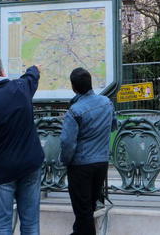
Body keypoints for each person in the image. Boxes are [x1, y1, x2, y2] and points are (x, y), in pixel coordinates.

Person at [0, 56, 44, 235]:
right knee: (31, 222)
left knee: (2, 225)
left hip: (1, 172)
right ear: (2, 72)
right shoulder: (20, 87)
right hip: (30, 165)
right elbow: (31, 77)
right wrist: (34, 68)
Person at [60, 67, 117, 235]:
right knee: (89, 207)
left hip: (80, 166)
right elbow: (113, 125)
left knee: (83, 211)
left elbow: (67, 142)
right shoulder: (107, 102)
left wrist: (65, 161)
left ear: (73, 87)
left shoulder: (75, 111)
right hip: (101, 163)